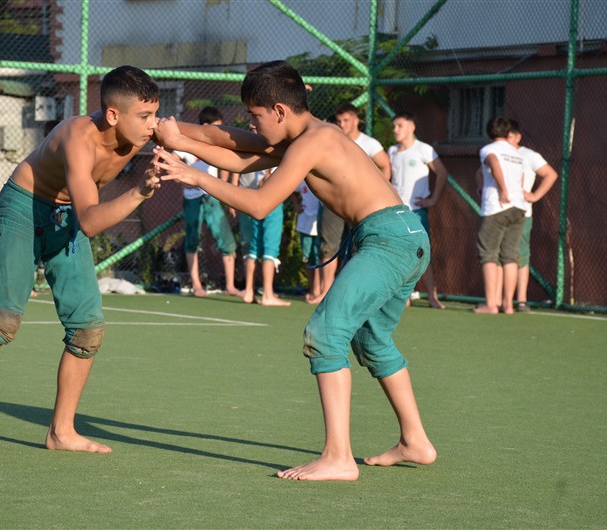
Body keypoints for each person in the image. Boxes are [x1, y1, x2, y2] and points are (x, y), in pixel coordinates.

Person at [153, 60, 436, 481]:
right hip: (406, 236)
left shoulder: (310, 144)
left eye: (255, 115)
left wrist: (195, 175)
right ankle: (415, 440)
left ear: (280, 112)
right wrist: (177, 135)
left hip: (387, 241)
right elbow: (232, 143)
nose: (252, 123)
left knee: (325, 333)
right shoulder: (314, 133)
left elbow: (260, 203)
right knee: (372, 340)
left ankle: (338, 458)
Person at [0, 65, 162, 461]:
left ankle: (61, 432)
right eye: (145, 116)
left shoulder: (143, 129)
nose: (153, 125)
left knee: (87, 330)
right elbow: (91, 221)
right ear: (113, 115)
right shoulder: (78, 138)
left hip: (66, 215)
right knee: (1, 319)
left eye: (155, 114)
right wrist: (139, 193)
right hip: (24, 206)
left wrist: (281, 148)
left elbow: (213, 139)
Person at [307, 103, 393, 305]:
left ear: (356, 120)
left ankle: (356, 295)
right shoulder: (331, 139)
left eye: (346, 120)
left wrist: (376, 192)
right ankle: (325, 292)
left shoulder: (370, 144)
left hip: (361, 206)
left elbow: (385, 165)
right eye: (339, 120)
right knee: (328, 247)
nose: (342, 124)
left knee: (360, 248)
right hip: (333, 202)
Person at [173, 106, 243, 297]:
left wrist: (223, 185)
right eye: (216, 127)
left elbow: (228, 163)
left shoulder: (216, 145)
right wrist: (185, 182)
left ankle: (230, 286)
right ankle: (196, 285)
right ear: (205, 126)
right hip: (192, 199)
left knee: (226, 239)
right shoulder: (186, 143)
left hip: (212, 197)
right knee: (192, 240)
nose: (219, 131)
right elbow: (172, 161)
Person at [387, 112, 448, 309]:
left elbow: (441, 173)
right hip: (396, 212)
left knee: (422, 254)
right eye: (394, 126)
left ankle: (432, 297)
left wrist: (433, 199)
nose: (395, 129)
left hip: (417, 212)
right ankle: (402, 297)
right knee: (398, 254)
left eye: (400, 125)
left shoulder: (424, 149)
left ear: (411, 127)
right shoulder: (392, 151)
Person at [474, 116, 527, 315]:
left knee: (488, 253)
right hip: (518, 207)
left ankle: (491, 304)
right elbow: (521, 177)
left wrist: (503, 190)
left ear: (489, 133)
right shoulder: (517, 153)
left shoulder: (489, 149)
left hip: (496, 206)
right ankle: (508, 304)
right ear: (508, 133)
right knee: (510, 255)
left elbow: (494, 163)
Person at [507, 121, 558, 311]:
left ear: (518, 137)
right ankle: (500, 300)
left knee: (520, 255)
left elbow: (550, 174)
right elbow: (481, 174)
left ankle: (521, 300)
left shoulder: (528, 155)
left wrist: (534, 196)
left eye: (510, 136)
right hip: (498, 213)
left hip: (522, 214)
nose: (506, 140)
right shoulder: (496, 152)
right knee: (497, 256)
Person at [241, 167, 291, 306]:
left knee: (254, 246)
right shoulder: (277, 157)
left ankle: (249, 291)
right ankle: (268, 294)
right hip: (272, 201)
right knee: (270, 247)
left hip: (256, 200)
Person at [292, 178, 322, 302]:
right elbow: (292, 190)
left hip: (319, 224)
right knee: (308, 258)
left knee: (318, 258)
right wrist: (297, 205)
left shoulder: (321, 180)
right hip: (304, 224)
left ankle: (318, 291)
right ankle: (312, 290)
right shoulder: (301, 179)